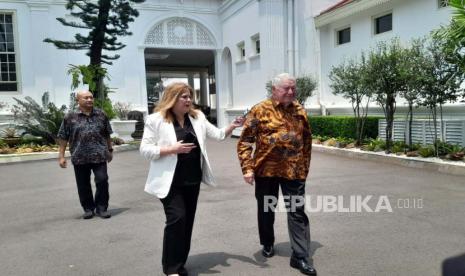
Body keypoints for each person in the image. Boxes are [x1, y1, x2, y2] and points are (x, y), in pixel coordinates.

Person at [140, 82, 243, 276]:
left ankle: (179, 262)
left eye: (189, 96)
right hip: (169, 182)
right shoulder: (156, 120)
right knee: (177, 219)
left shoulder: (198, 117)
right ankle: (171, 268)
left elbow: (219, 135)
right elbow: (144, 149)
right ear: (172, 98)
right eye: (184, 96)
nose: (189, 100)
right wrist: (171, 149)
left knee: (187, 222)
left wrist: (233, 125)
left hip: (192, 180)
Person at [237, 73, 316, 275]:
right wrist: (247, 168)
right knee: (266, 210)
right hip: (266, 170)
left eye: (293, 88)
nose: (291, 92)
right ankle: (267, 242)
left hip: (294, 170)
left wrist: (304, 167)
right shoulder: (259, 110)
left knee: (297, 212)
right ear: (274, 90)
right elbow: (245, 141)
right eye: (286, 89)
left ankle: (300, 257)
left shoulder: (299, 110)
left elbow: (307, 140)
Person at [57, 90, 113, 219]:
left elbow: (107, 134)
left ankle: (101, 208)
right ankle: (88, 208)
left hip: (99, 155)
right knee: (83, 184)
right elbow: (63, 137)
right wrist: (61, 156)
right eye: (86, 98)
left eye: (91, 97)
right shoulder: (70, 117)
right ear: (78, 101)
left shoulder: (101, 114)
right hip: (79, 156)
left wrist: (110, 150)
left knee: (102, 180)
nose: (89, 100)